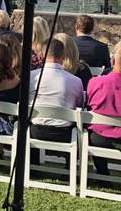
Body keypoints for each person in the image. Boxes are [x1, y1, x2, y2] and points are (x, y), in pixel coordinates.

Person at [28, 38, 84, 164]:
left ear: (42, 55)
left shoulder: (32, 77)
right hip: (64, 133)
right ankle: (69, 167)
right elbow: (79, 106)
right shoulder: (76, 81)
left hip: (35, 130)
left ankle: (33, 164)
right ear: (64, 55)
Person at [86, 45, 121, 175]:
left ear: (112, 62)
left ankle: (102, 172)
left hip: (100, 138)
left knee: (92, 132)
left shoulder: (96, 82)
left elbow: (88, 104)